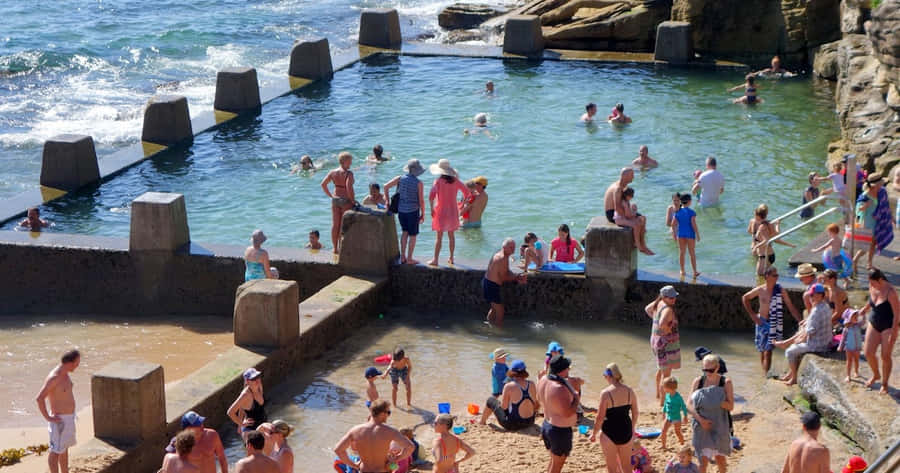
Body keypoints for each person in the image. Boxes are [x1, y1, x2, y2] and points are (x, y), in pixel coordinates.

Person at [741, 266, 802, 376]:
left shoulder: (780, 290)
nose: (777, 277)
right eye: (775, 275)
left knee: (768, 351)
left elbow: (790, 306)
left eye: (777, 275)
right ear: (767, 276)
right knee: (762, 350)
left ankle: (767, 374)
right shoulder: (760, 290)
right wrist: (753, 315)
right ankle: (764, 373)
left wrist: (800, 320)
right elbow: (745, 298)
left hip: (773, 323)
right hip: (761, 322)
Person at [774, 284, 834, 386]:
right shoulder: (825, 305)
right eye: (810, 295)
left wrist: (800, 339)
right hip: (825, 341)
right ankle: (790, 373)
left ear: (820, 295)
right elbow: (813, 323)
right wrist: (806, 322)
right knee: (800, 332)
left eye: (812, 295)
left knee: (790, 351)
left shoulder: (816, 310)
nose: (810, 297)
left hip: (818, 345)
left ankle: (794, 378)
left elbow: (810, 331)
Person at [334, 401, 414, 473]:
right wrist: (396, 459)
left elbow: (338, 450)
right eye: (388, 412)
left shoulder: (355, 430)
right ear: (382, 413)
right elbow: (410, 447)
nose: (388, 416)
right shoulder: (390, 431)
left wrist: (353, 465)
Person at [687, 355, 734, 473]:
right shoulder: (698, 382)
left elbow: (731, 406)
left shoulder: (725, 382)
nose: (707, 373)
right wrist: (701, 420)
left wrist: (716, 400)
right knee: (702, 462)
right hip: (701, 426)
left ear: (717, 367)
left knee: (720, 460)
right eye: (705, 370)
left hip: (720, 426)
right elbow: (689, 405)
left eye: (711, 370)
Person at [35, 349, 80, 473]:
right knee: (55, 452)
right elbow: (39, 398)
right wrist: (48, 418)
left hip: (68, 418)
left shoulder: (65, 374)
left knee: (64, 449)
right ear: (69, 363)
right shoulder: (54, 378)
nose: (77, 366)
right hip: (59, 421)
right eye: (76, 363)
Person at [590, 363, 639, 473]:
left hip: (609, 433)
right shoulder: (630, 391)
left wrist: (594, 433)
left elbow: (600, 418)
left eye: (604, 375)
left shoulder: (605, 393)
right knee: (627, 467)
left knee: (612, 468)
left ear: (608, 375)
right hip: (626, 431)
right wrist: (632, 428)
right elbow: (635, 413)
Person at [537, 356, 581, 473]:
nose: (569, 370)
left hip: (547, 424)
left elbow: (539, 399)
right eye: (568, 368)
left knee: (553, 460)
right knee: (557, 465)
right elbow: (568, 413)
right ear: (563, 370)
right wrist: (576, 398)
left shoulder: (543, 380)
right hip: (559, 431)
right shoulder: (559, 388)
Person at [858, 268, 899, 393]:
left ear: (880, 280)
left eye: (873, 282)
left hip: (888, 325)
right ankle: (876, 374)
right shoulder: (872, 286)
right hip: (874, 321)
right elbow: (871, 301)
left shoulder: (891, 292)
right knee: (868, 352)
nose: (871, 285)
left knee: (885, 356)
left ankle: (885, 383)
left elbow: (897, 314)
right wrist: (865, 309)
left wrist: (894, 332)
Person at [427, 159, 471, 266]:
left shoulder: (438, 181)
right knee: (451, 236)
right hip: (453, 211)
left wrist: (431, 208)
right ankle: (451, 258)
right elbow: (467, 193)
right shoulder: (456, 181)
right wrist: (462, 204)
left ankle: (435, 260)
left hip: (441, 211)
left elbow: (431, 196)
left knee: (439, 237)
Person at [384, 159, 426, 265]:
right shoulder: (419, 183)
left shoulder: (400, 178)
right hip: (413, 212)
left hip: (401, 211)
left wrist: (387, 202)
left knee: (404, 233)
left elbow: (385, 187)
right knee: (413, 235)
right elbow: (421, 200)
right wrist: (423, 214)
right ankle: (410, 258)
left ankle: (403, 257)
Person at [645, 286, 681, 403]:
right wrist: (668, 329)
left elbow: (647, 309)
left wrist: (655, 320)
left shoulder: (657, 303)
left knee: (661, 368)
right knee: (666, 376)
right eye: (671, 298)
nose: (674, 299)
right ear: (664, 297)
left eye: (674, 296)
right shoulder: (668, 309)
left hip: (656, 341)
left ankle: (657, 394)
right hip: (666, 345)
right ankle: (663, 402)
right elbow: (661, 324)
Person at [480, 359, 539, 430]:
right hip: (530, 421)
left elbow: (504, 407)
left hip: (513, 424)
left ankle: (482, 422)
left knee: (490, 400)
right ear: (524, 371)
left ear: (512, 371)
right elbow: (536, 405)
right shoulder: (532, 384)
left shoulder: (509, 386)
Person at [605, 168, 653, 254]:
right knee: (639, 220)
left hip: (617, 212)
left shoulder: (622, 186)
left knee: (642, 218)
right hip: (612, 214)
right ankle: (640, 244)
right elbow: (617, 207)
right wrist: (629, 217)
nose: (633, 177)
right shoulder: (618, 188)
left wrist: (631, 210)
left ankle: (642, 243)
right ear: (625, 176)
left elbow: (623, 203)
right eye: (632, 175)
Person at [484, 238, 527, 325]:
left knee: (494, 308)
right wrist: (517, 278)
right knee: (500, 310)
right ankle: (497, 329)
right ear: (504, 247)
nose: (513, 250)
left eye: (514, 247)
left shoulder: (500, 254)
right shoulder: (502, 258)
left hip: (487, 282)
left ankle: (489, 324)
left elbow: (506, 271)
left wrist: (516, 276)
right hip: (491, 285)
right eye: (510, 247)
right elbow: (503, 277)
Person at [321, 151, 356, 254]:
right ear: (344, 161)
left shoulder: (333, 172)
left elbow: (323, 184)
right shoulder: (348, 174)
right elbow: (349, 187)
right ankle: (341, 247)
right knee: (342, 226)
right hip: (346, 200)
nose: (351, 163)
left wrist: (331, 195)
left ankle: (335, 248)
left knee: (335, 225)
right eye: (350, 161)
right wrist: (353, 201)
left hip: (335, 200)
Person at [751, 206, 795, 278]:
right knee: (767, 276)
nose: (754, 217)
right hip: (771, 255)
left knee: (759, 277)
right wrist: (777, 225)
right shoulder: (770, 224)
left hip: (764, 256)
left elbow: (766, 240)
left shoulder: (762, 227)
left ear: (758, 216)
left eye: (754, 215)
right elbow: (777, 236)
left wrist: (755, 247)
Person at [227, 368, 267, 433]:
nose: (257, 380)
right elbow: (230, 412)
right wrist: (241, 424)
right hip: (251, 431)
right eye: (253, 379)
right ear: (247, 381)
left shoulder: (259, 386)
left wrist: (239, 426)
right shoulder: (245, 395)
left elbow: (242, 407)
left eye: (257, 376)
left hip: (262, 426)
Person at [672, 193, 700, 279]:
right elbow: (693, 224)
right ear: (689, 202)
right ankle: (694, 271)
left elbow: (673, 224)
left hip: (680, 234)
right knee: (692, 253)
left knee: (682, 252)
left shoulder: (678, 212)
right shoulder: (692, 212)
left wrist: (674, 234)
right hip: (690, 234)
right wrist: (697, 234)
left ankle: (682, 270)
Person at [660, 376, 688, 449]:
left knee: (677, 432)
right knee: (663, 431)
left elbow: (684, 407)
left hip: (677, 418)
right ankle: (663, 446)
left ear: (669, 388)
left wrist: (685, 416)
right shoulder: (667, 395)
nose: (663, 389)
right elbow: (665, 404)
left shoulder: (678, 397)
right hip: (669, 417)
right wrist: (663, 413)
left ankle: (682, 443)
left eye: (664, 387)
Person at [838, 308, 863, 382]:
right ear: (849, 318)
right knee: (849, 361)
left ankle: (856, 372)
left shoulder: (858, 325)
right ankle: (848, 375)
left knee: (856, 360)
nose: (856, 317)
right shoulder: (846, 329)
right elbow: (843, 338)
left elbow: (864, 322)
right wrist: (840, 346)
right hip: (848, 347)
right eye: (854, 316)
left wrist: (863, 315)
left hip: (857, 347)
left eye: (857, 316)